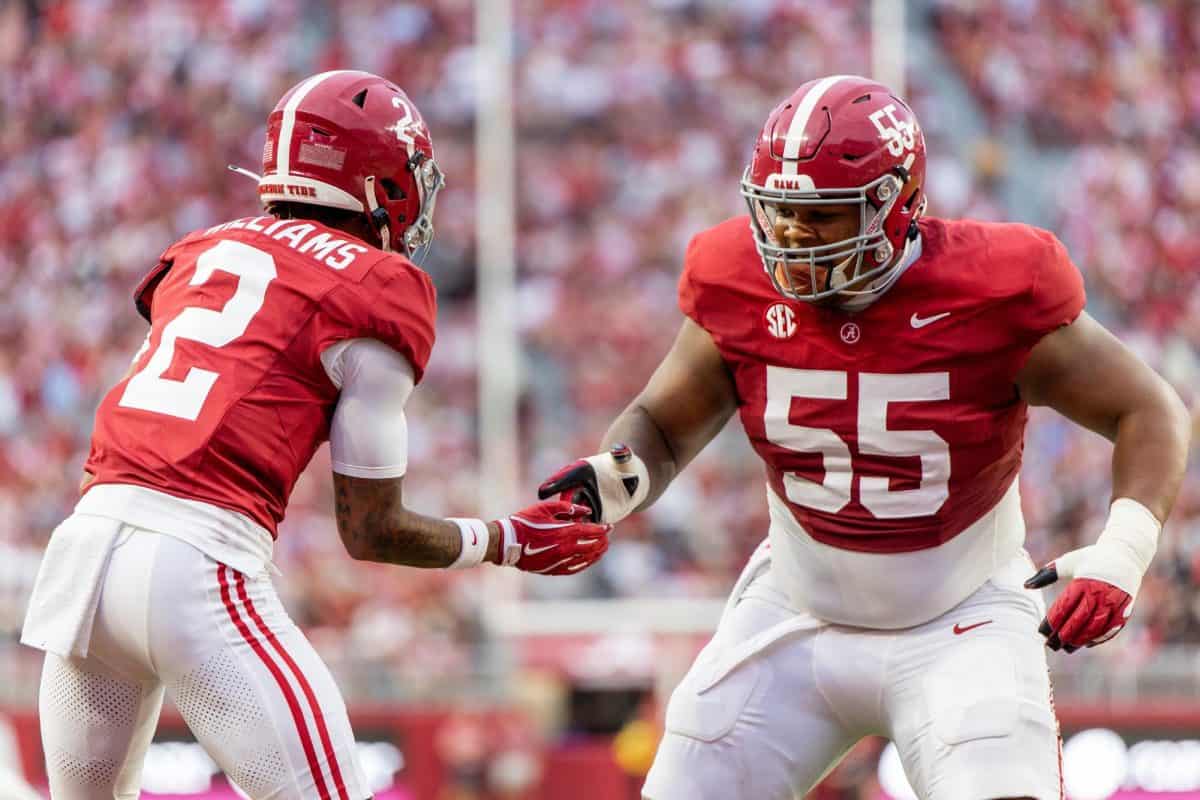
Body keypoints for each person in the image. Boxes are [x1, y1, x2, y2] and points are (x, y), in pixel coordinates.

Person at [538, 74, 1190, 800]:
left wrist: (1124, 552)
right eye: (776, 210)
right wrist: (612, 481)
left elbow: (1149, 409)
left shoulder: (995, 289)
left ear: (896, 207)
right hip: (793, 609)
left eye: (818, 215)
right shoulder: (736, 279)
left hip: (962, 615)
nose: (786, 236)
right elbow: (661, 423)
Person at [20, 69, 611, 800]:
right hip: (196, 563)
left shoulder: (200, 248)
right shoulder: (377, 287)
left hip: (84, 555)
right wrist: (507, 540)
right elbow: (371, 529)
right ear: (378, 181)